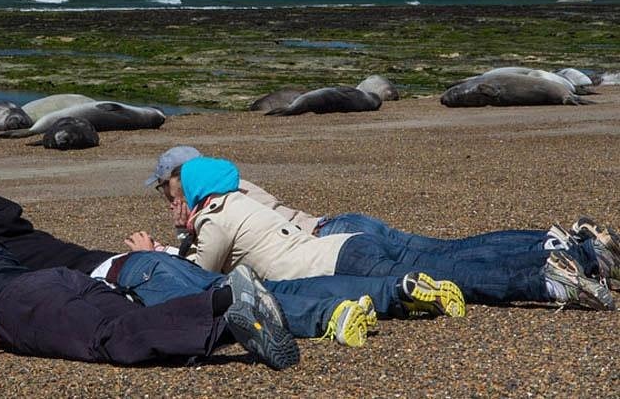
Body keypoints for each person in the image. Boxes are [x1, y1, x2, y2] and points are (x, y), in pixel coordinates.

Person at [0, 180, 464, 347]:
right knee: (258, 289)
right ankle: (395, 290)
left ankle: (331, 315)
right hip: (140, 263)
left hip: (133, 272)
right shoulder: (28, 235)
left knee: (240, 302)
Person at [0, 183, 300, 369]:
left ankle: (226, 302)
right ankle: (233, 315)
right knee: (130, 322)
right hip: (53, 281)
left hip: (14, 308)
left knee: (109, 340)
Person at [151, 154, 614, 310]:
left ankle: (548, 277)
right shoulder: (237, 196)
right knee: (451, 258)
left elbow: (197, 277)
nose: (174, 201)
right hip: (346, 241)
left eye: (175, 193)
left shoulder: (215, 215)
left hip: (336, 251)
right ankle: (570, 253)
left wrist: (160, 251)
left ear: (190, 187)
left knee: (453, 269)